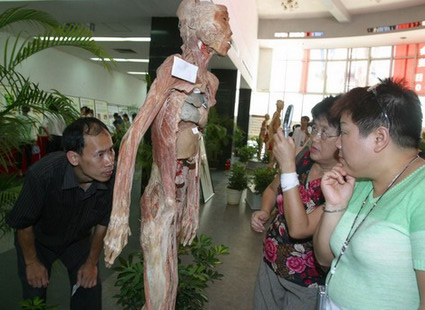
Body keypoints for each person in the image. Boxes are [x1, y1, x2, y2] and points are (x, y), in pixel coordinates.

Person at [103, 0, 232, 308]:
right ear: (196, 27)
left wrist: (190, 206)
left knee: (170, 288)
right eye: (222, 21)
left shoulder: (210, 82)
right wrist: (118, 216)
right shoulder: (174, 67)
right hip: (161, 199)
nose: (229, 32)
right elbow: (133, 137)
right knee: (161, 293)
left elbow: (194, 144)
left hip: (178, 196)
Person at [313, 78, 425, 309]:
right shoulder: (362, 181)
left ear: (379, 138)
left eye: (344, 132)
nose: (338, 144)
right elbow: (325, 258)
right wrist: (334, 206)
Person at [7, 117, 115, 310]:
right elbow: (23, 223)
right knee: (34, 297)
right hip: (38, 242)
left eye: (111, 150)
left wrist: (91, 263)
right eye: (100, 155)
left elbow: (102, 224)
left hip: (78, 240)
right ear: (74, 158)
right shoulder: (42, 175)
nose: (110, 162)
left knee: (89, 290)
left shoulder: (112, 177)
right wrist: (31, 262)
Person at [251, 96, 340, 309]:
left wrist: (288, 165)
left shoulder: (341, 182)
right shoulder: (303, 159)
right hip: (271, 263)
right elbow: (273, 189)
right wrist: (264, 210)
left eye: (324, 132)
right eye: (314, 129)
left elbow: (300, 229)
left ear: (343, 138)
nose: (315, 138)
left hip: (306, 280)